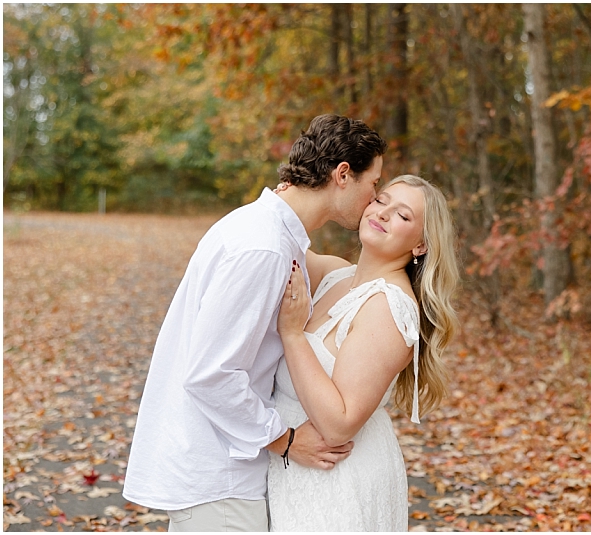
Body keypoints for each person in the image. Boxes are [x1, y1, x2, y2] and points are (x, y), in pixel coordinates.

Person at [122, 114, 388, 532]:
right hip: (218, 479)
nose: (374, 198)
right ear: (342, 175)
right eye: (373, 183)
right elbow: (211, 374)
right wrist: (286, 441)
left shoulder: (265, 230)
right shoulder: (263, 247)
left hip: (223, 473)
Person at [267, 174, 460, 531]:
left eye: (403, 216)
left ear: (421, 245)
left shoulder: (388, 306)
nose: (384, 214)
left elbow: (339, 424)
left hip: (338, 481)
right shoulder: (336, 275)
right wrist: (293, 192)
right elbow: (277, 238)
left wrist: (292, 335)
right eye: (381, 200)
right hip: (295, 468)